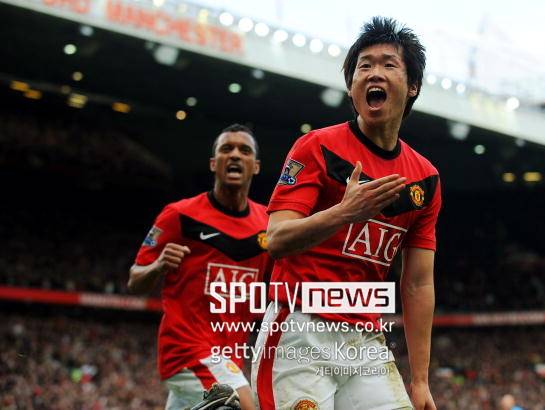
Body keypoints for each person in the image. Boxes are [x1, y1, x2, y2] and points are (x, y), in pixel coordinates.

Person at [251, 17, 441, 410]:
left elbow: (418, 283)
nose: (374, 73)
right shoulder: (315, 147)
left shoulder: (425, 179)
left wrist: (420, 380)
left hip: (365, 341)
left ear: (413, 86)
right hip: (298, 330)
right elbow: (276, 240)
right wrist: (344, 212)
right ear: (352, 86)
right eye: (363, 66)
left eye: (388, 64)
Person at [128, 124, 271, 410]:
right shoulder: (179, 215)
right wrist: (158, 266)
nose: (234, 155)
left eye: (244, 150)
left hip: (230, 354)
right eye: (226, 149)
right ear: (213, 163)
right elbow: (135, 281)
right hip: (187, 349)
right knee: (244, 405)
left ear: (255, 167)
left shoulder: (267, 225)